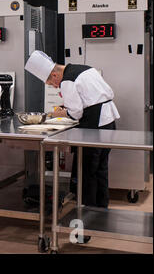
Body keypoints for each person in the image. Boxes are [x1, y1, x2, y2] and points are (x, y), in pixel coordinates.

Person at [25, 50, 120, 208]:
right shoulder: (85, 68)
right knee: (101, 167)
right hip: (108, 120)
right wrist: (68, 108)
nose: (55, 87)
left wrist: (61, 112)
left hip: (94, 124)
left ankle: (88, 213)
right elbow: (89, 98)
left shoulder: (67, 80)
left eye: (52, 84)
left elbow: (76, 113)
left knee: (87, 171)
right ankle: (102, 207)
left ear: (55, 75)